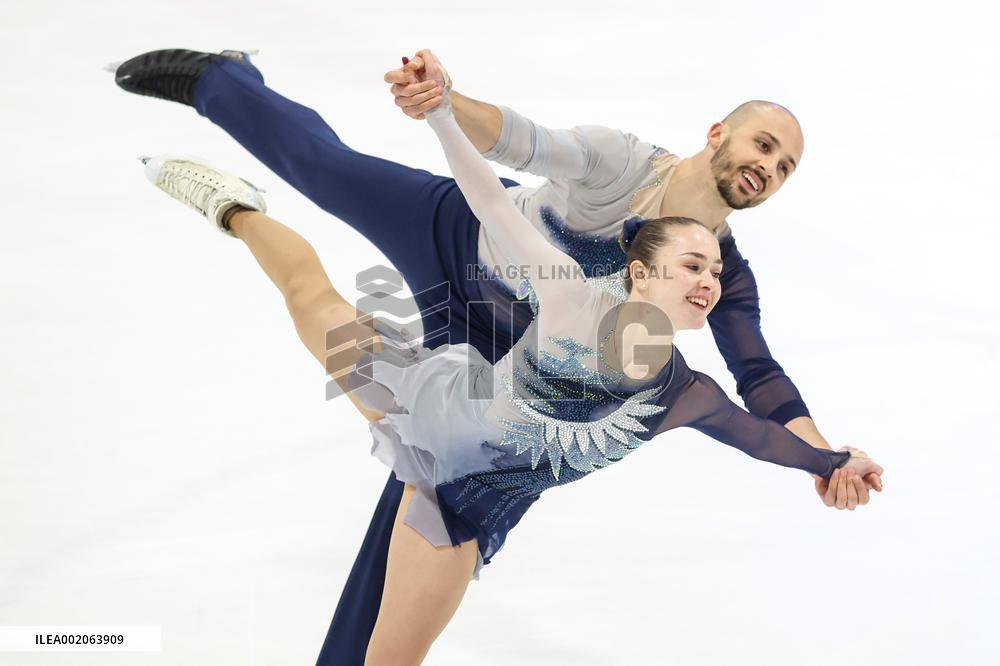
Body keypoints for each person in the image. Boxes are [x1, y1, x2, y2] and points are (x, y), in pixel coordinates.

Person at [112, 47, 881, 663]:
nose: (767, 167)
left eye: (783, 168)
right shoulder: (623, 163)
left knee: (422, 497)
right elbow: (521, 142)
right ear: (719, 133)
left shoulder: (722, 277)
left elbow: (760, 383)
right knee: (323, 170)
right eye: (764, 145)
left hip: (501, 348)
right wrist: (442, 101)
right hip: (461, 235)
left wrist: (828, 459)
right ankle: (223, 80)